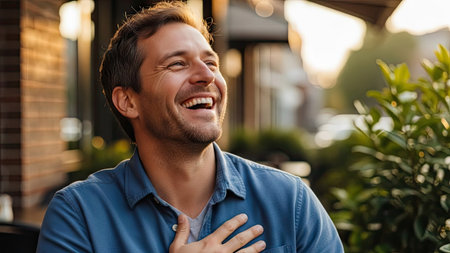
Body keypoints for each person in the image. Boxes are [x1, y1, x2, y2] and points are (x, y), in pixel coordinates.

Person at [37, 1, 344, 252]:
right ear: (128, 101)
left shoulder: (291, 202)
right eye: (177, 64)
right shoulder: (78, 215)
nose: (207, 76)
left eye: (211, 63)